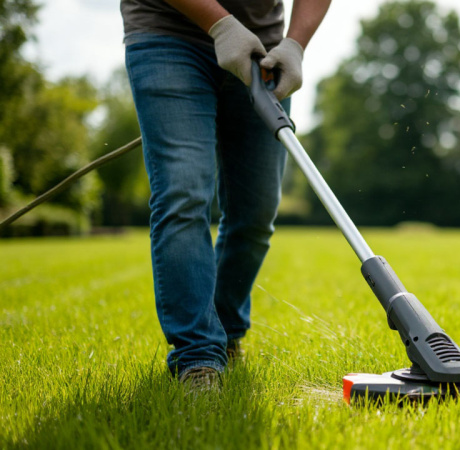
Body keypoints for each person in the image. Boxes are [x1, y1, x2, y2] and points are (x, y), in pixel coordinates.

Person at [119, 0, 332, 390]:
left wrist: (296, 45)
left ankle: (226, 331)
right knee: (184, 193)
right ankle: (198, 356)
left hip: (264, 53)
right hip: (168, 36)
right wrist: (220, 25)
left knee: (256, 213)